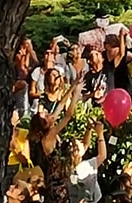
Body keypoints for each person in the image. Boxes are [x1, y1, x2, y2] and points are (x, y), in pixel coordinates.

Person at [28, 73, 85, 203]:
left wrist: (73, 85)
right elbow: (68, 115)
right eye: (46, 117)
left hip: (59, 179)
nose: (49, 115)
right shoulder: (49, 136)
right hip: (57, 184)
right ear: (44, 125)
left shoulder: (49, 130)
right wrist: (76, 93)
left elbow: (61, 104)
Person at [65, 120, 108, 203]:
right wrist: (100, 134)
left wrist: (88, 129)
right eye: (79, 143)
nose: (82, 143)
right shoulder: (85, 167)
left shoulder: (67, 168)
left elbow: (85, 145)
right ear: (78, 153)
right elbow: (102, 156)